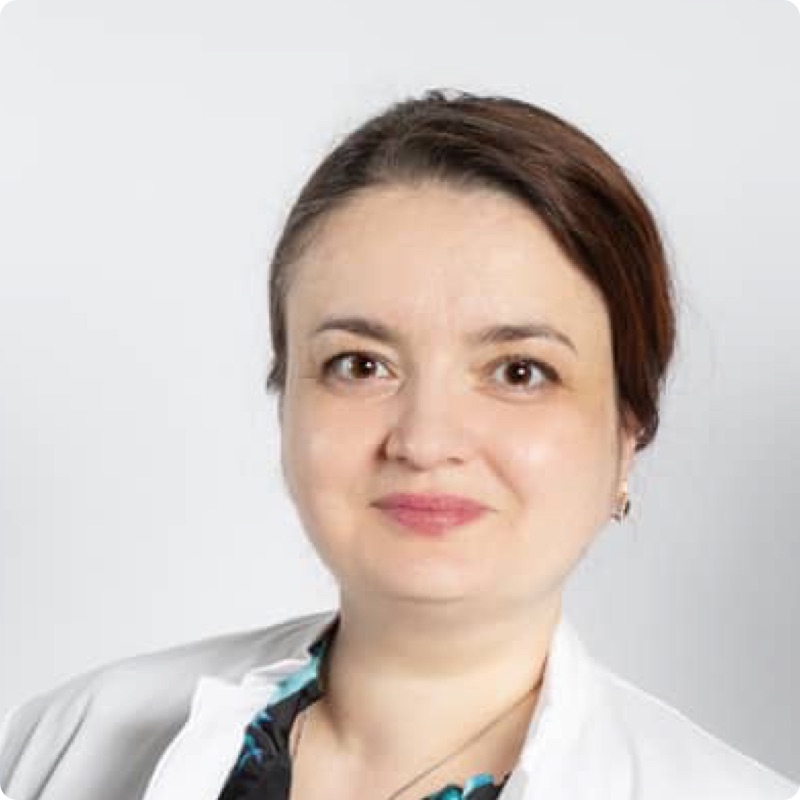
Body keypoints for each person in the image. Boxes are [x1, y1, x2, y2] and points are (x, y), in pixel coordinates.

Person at [0, 88, 796, 800]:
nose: (425, 439)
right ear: (286, 398)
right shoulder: (69, 744)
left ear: (627, 434)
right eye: (360, 365)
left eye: (519, 371)